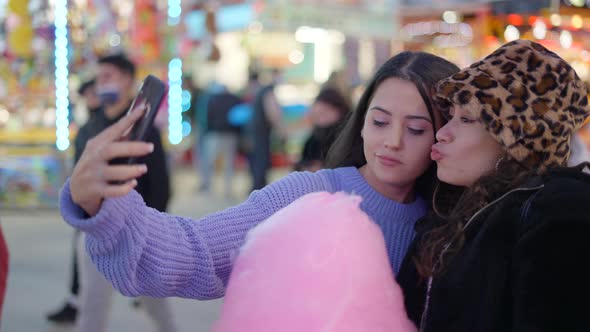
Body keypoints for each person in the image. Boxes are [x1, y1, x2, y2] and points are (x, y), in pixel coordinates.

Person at [58, 52, 459, 301]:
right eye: (380, 121)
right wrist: (99, 200)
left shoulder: (457, 225)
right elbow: (196, 252)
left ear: (446, 134)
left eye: (416, 129)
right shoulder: (311, 196)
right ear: (361, 121)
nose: (392, 141)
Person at [398, 40, 590, 331]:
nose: (444, 133)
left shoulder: (555, 214)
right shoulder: (454, 212)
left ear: (514, 137)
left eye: (467, 119)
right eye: (450, 117)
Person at [67, 54, 176, 332]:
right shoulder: (89, 129)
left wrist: (153, 230)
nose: (102, 83)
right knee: (92, 309)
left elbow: (160, 184)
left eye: (109, 76)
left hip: (140, 233)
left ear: (128, 80)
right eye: (99, 77)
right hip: (97, 234)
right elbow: (77, 181)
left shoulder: (144, 128)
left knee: (157, 304)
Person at [47, 78, 102, 324]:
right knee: (84, 263)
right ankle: (75, 301)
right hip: (86, 204)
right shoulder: (89, 124)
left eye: (93, 92)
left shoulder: (109, 125)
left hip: (107, 207)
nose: (89, 97)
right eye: (86, 94)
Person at [248, 68, 289, 191]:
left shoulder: (261, 91)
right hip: (262, 133)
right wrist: (282, 130)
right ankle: (259, 190)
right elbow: (273, 113)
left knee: (258, 162)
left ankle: (257, 188)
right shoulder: (268, 91)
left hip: (257, 132)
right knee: (261, 162)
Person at [200, 85, 243, 199]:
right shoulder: (235, 99)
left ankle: (208, 188)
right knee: (229, 163)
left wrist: (207, 131)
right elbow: (239, 116)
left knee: (209, 162)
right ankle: (228, 190)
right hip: (231, 134)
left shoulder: (212, 99)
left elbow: (207, 117)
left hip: (214, 134)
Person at [295, 87, 351, 172]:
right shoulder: (313, 139)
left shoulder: (346, 138)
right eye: (318, 114)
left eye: (325, 112)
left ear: (339, 111)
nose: (321, 118)